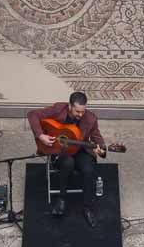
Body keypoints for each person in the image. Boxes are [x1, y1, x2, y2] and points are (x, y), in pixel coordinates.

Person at [27, 90, 106, 225]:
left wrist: (102, 149)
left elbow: (97, 138)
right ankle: (61, 199)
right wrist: (41, 135)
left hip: (81, 150)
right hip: (60, 149)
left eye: (83, 111)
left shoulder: (91, 118)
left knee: (88, 169)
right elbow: (32, 114)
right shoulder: (59, 109)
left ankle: (87, 208)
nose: (80, 115)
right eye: (77, 112)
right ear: (69, 106)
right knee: (67, 163)